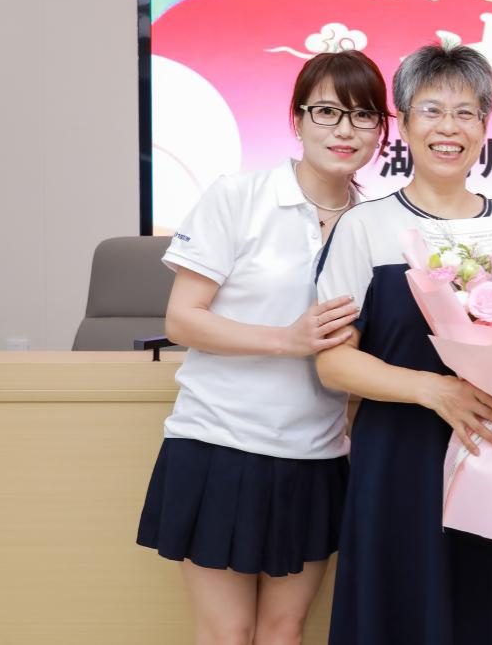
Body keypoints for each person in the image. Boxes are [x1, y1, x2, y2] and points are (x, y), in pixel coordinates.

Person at [137, 50, 391, 645]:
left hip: (317, 453)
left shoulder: (376, 224)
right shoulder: (239, 195)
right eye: (326, 111)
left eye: (364, 115)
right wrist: (287, 339)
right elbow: (183, 319)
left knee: (285, 630)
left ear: (382, 130)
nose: (345, 129)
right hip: (220, 444)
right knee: (228, 632)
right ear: (296, 119)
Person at [314, 43, 492, 645]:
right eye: (432, 110)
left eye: (466, 113)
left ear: (485, 126)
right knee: (398, 611)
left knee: (484, 612)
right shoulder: (364, 226)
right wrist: (432, 390)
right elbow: (333, 362)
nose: (449, 128)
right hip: (397, 456)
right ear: (405, 123)